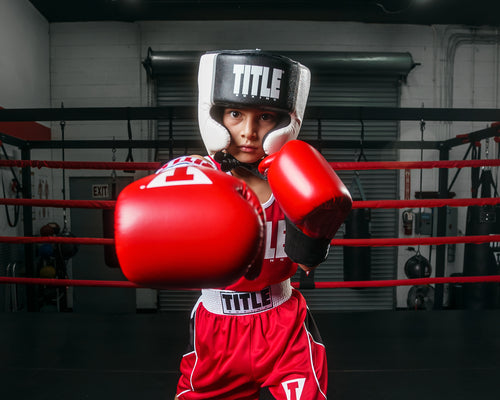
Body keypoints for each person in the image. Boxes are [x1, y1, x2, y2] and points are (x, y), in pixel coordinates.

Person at [114, 49, 352, 399]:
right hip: (217, 331)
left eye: (266, 117)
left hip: (282, 324)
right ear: (216, 116)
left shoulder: (296, 179)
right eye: (236, 114)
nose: (249, 132)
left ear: (285, 121)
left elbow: (306, 265)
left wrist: (318, 227)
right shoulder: (196, 173)